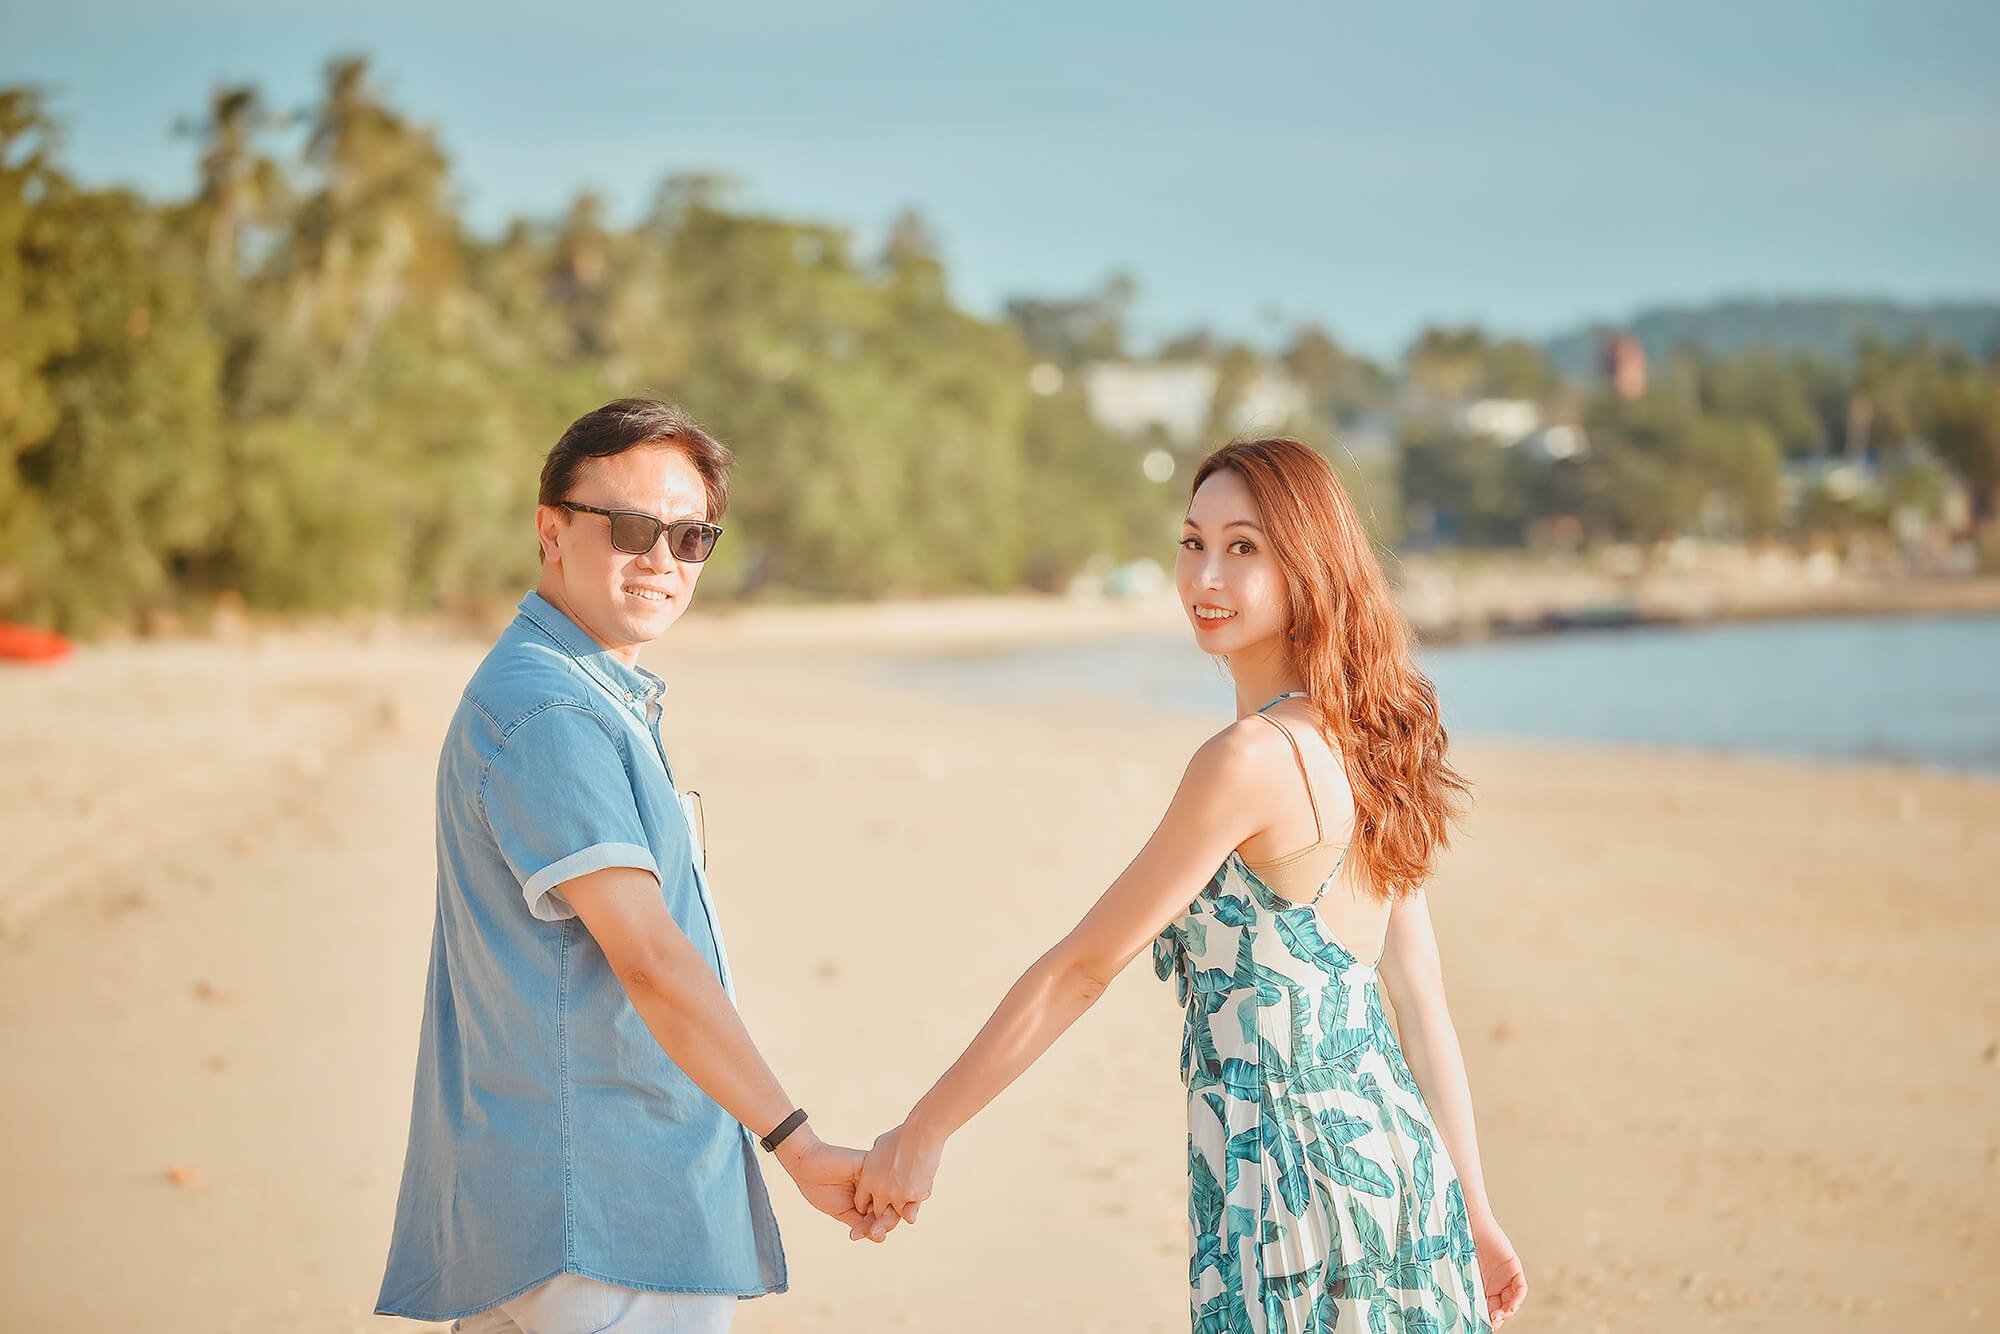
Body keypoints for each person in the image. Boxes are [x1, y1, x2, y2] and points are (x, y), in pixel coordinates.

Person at [853, 438, 1528, 1331]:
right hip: (1398, 1172)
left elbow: (1083, 969)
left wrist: (925, 1130)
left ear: (1308, 564)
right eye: (1192, 541)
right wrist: (1469, 1208)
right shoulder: (1364, 739)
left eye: (1243, 547)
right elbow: (1417, 1001)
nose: (1205, 574)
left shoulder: (1246, 760)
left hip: (1290, 1188)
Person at [377, 398, 891, 1334]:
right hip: (611, 1214)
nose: (662, 559)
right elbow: (648, 959)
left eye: (691, 537)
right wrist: (798, 1144)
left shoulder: (569, 691)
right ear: (551, 529)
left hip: (538, 1206)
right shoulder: (555, 716)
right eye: (630, 528)